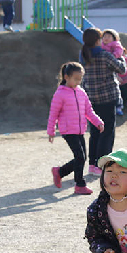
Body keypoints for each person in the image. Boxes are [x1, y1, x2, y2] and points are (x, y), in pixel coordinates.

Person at [48, 62, 105, 195]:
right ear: (66, 77)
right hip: (68, 131)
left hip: (80, 130)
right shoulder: (60, 94)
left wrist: (98, 122)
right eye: (76, 79)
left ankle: (60, 172)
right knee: (80, 156)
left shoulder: (81, 92)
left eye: (80, 79)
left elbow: (89, 111)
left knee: (82, 157)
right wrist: (51, 131)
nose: (79, 82)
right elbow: (53, 114)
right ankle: (79, 184)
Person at [80, 28, 127, 174]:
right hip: (107, 97)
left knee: (95, 131)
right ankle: (103, 165)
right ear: (97, 40)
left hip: (91, 98)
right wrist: (121, 57)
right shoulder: (105, 55)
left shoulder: (83, 55)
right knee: (107, 132)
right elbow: (122, 69)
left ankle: (92, 165)